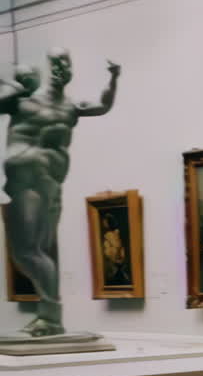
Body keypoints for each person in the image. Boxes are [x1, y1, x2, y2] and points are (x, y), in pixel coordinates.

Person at [0, 49, 120, 336]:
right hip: (46, 180)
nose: (60, 67)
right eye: (56, 62)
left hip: (31, 180)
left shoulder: (34, 103)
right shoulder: (59, 106)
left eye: (64, 62)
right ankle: (50, 315)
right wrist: (114, 79)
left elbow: (103, 106)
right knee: (38, 250)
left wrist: (114, 79)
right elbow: (103, 106)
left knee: (27, 251)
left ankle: (51, 315)